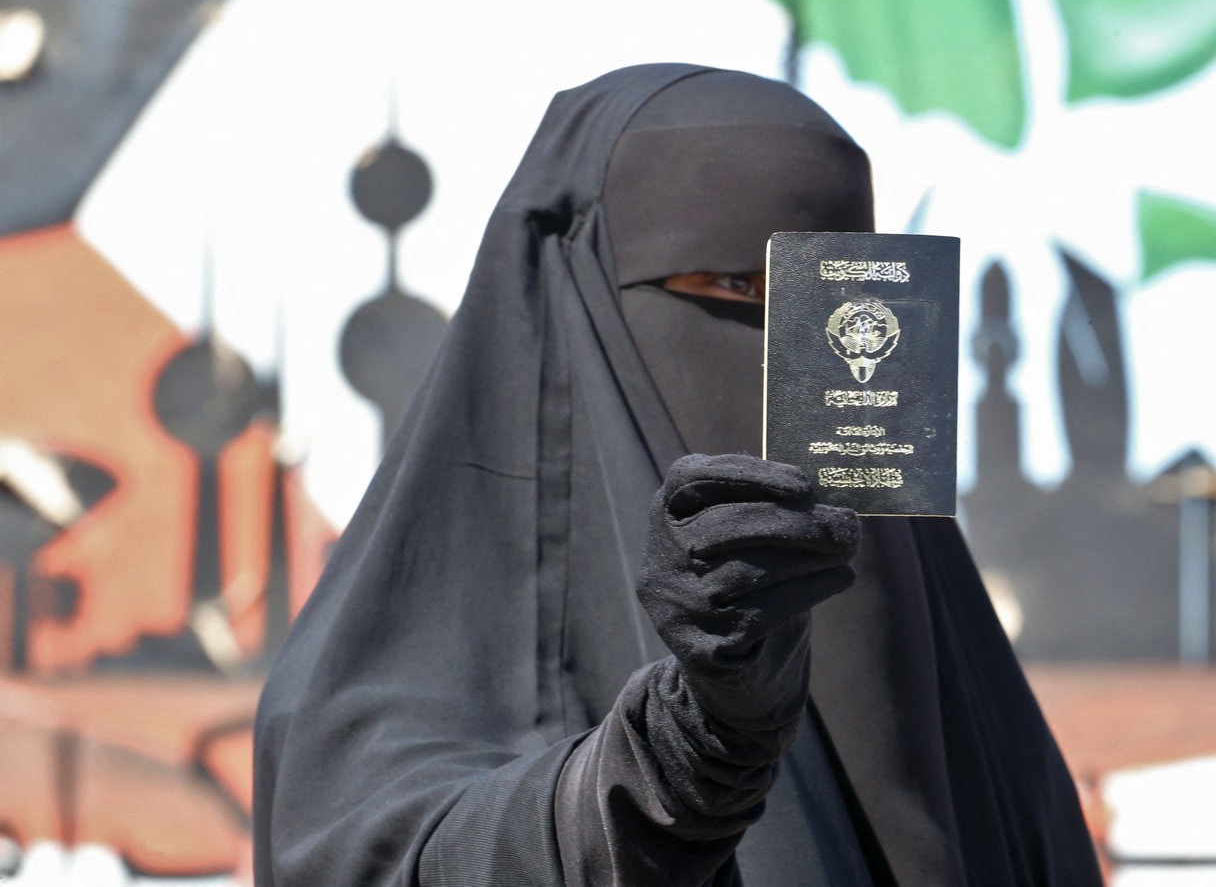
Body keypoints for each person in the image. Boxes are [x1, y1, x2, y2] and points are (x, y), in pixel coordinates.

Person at [253, 64, 1103, 886]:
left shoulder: (976, 705)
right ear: (581, 301)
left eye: (833, 304)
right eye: (736, 288)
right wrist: (689, 746)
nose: (789, 360)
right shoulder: (367, 705)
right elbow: (408, 860)